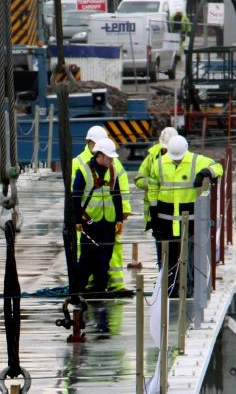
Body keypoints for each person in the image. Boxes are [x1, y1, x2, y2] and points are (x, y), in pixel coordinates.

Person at [146, 134, 223, 296]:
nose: (176, 161)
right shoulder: (159, 164)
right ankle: (171, 290)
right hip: (166, 221)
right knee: (169, 258)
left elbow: (219, 168)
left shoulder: (196, 161)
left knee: (191, 257)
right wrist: (153, 215)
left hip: (190, 220)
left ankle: (191, 288)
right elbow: (152, 190)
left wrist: (205, 173)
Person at [71, 131, 127, 299]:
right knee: (87, 258)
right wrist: (77, 221)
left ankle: (99, 289)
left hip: (108, 222)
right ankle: (79, 289)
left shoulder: (113, 170)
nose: (111, 160)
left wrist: (119, 219)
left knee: (105, 257)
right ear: (99, 155)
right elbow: (75, 196)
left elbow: (117, 195)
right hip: (90, 222)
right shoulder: (84, 170)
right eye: (109, 157)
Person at [135, 126, 177, 266]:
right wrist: (153, 183)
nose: (166, 151)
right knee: (161, 248)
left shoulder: (183, 156)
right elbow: (139, 179)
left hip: (177, 210)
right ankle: (162, 279)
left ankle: (174, 279)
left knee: (178, 249)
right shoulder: (152, 157)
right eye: (165, 148)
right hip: (156, 210)